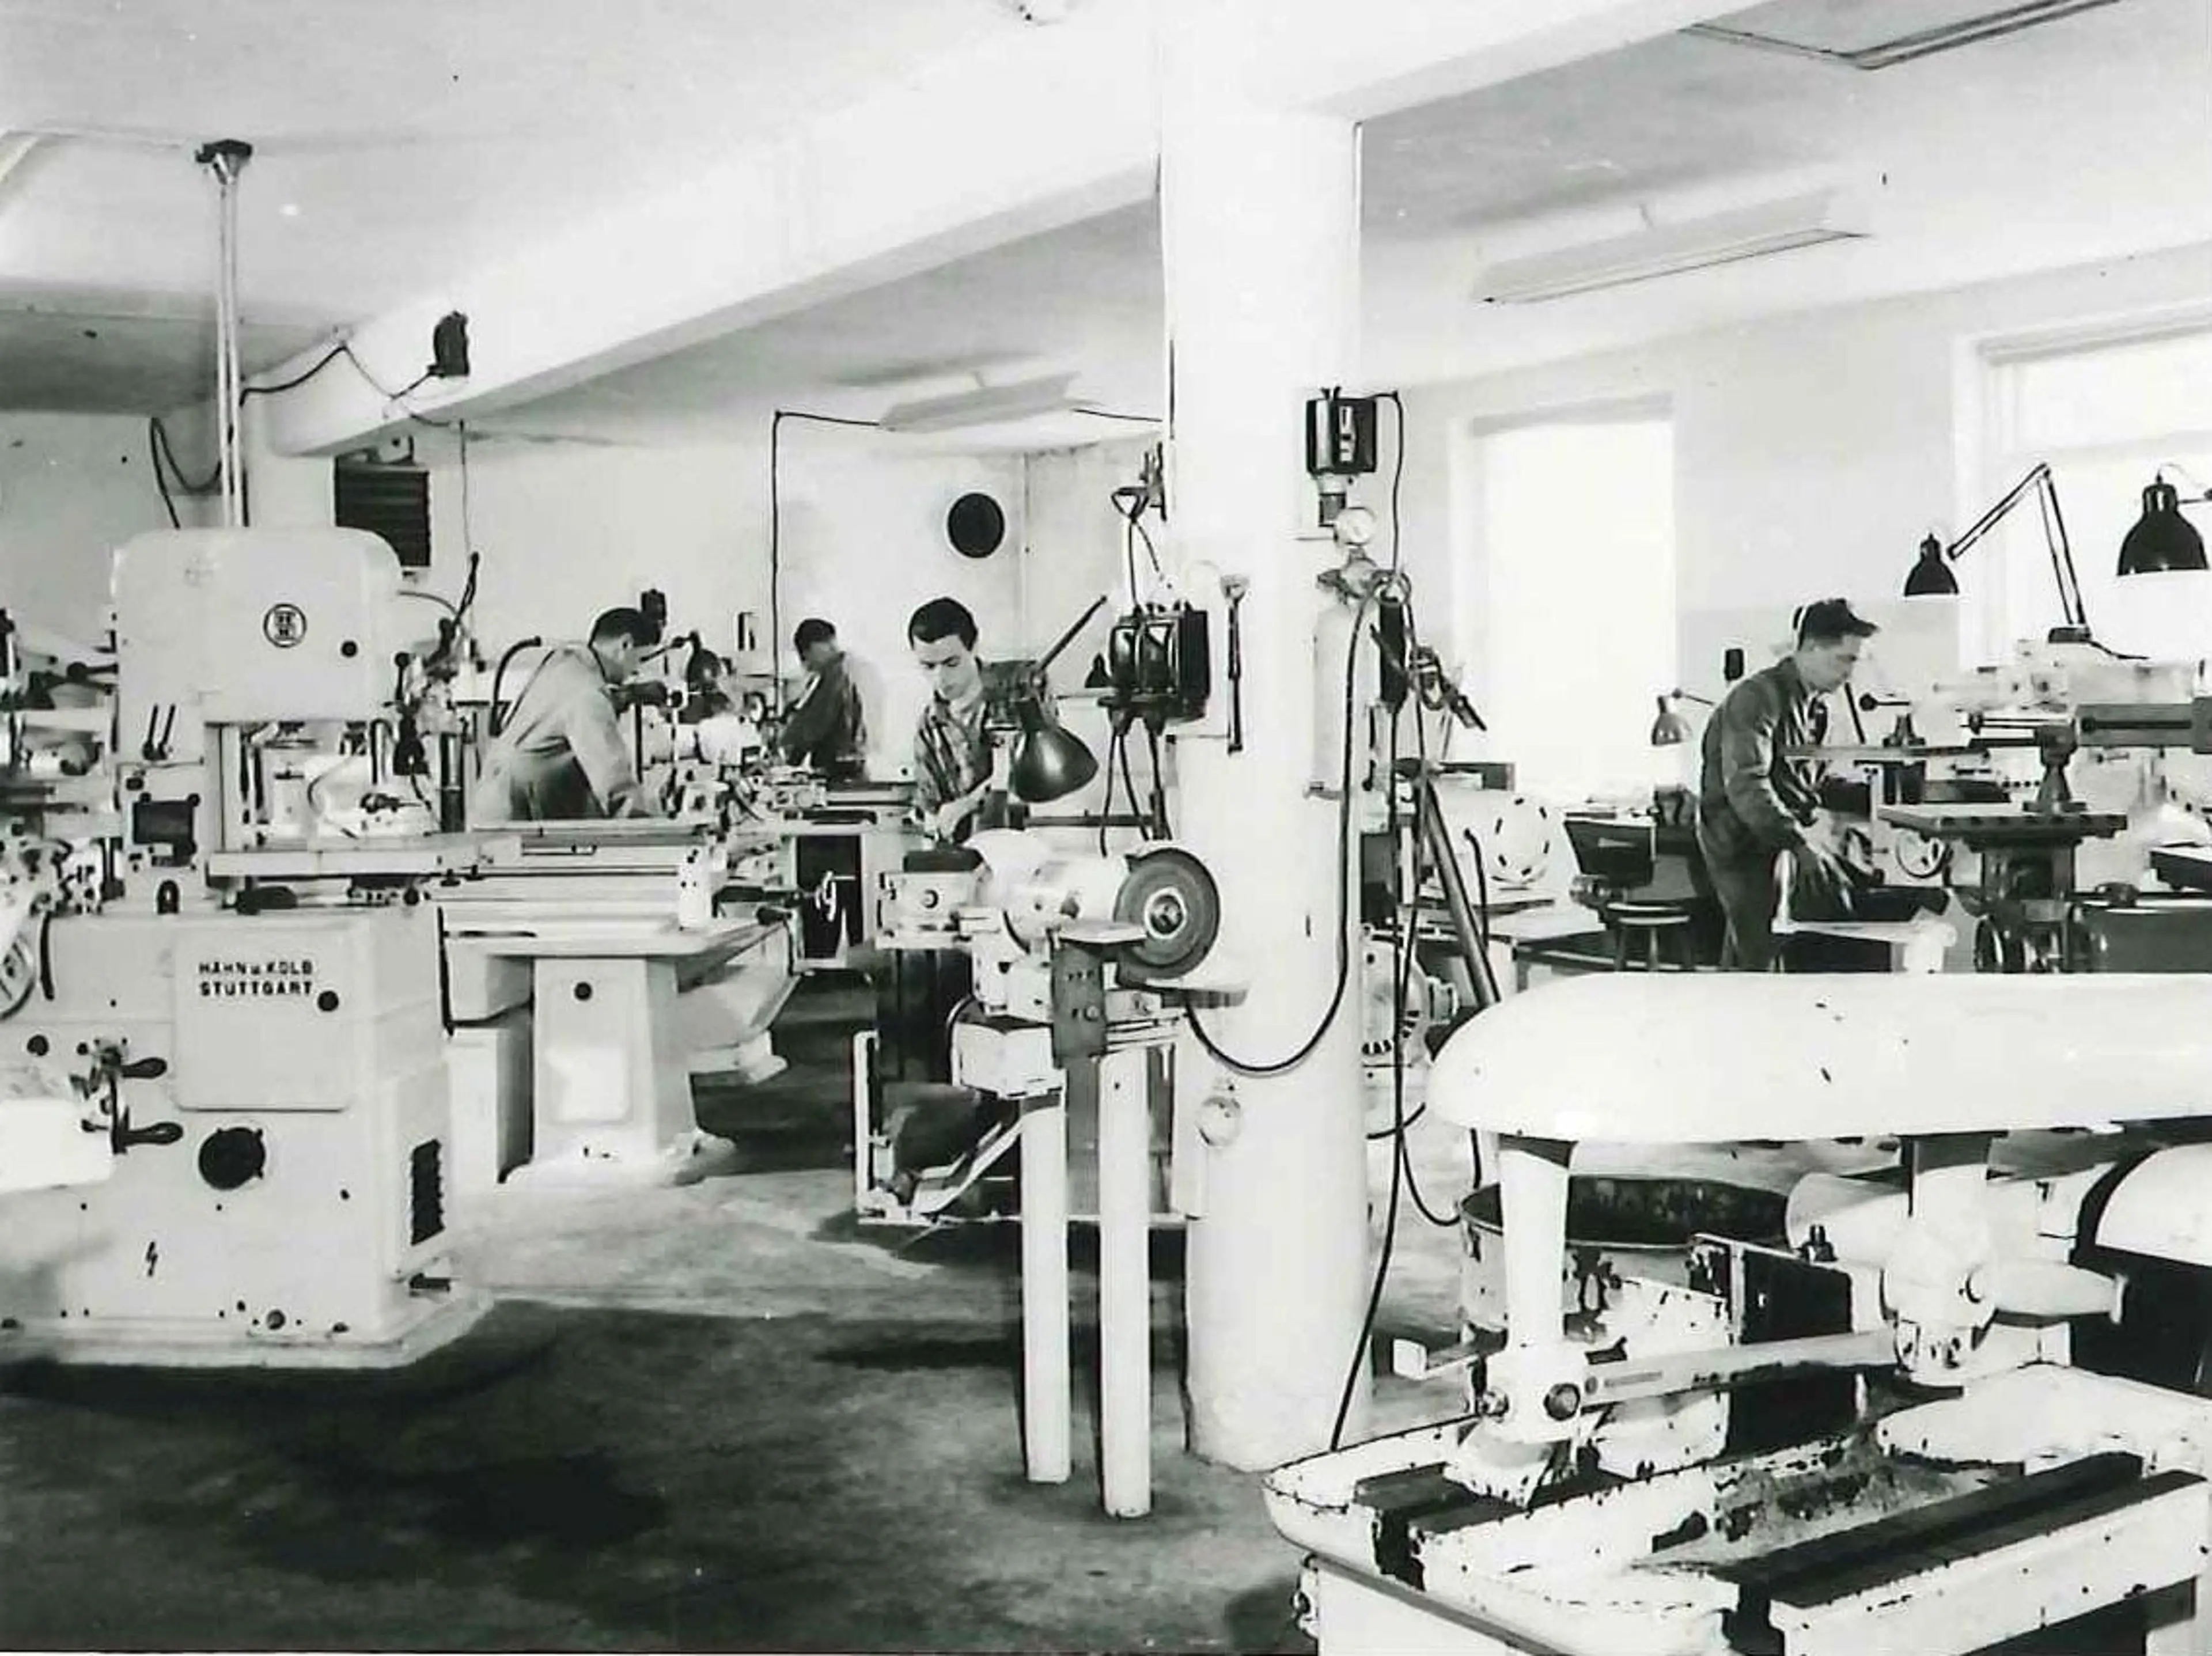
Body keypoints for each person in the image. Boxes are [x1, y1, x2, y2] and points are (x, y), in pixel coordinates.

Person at [1695, 597, 1873, 971]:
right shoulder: (1756, 698)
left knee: (1814, 922)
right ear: (1810, 648)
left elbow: (1811, 782)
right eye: (1844, 660)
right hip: (1741, 839)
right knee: (1758, 947)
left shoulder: (1815, 706)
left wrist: (1884, 797)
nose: (1850, 674)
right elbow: (1747, 785)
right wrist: (1799, 843)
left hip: (1780, 835)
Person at [470, 606, 662, 824]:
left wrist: (626, 696)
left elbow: (555, 720)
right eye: (641, 660)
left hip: (494, 805)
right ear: (626, 645)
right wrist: (649, 824)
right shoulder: (588, 695)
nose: (636, 671)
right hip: (514, 819)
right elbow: (612, 778)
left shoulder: (565, 665)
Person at [907, 596, 998, 843]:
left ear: (974, 646)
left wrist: (968, 804)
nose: (941, 679)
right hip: (967, 860)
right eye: (928, 666)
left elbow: (1027, 780)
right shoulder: (928, 726)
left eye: (952, 663)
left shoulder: (1018, 692)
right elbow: (931, 808)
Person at [778, 617, 869, 782]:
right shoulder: (854, 668)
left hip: (841, 772)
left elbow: (813, 725)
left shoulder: (835, 675)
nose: (806, 663)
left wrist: (790, 757)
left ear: (815, 647)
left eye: (805, 655)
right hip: (859, 765)